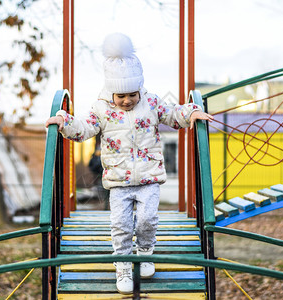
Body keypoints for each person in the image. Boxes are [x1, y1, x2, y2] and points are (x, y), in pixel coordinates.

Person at [45, 32, 214, 294]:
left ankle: (145, 251)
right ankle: (123, 262)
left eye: (132, 94)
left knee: (147, 219)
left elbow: (172, 114)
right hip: (119, 180)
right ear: (111, 91)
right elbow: (86, 127)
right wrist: (64, 122)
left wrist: (191, 111)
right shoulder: (102, 108)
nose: (127, 100)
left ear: (140, 89)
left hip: (149, 177)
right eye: (121, 95)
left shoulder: (151, 102)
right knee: (121, 225)